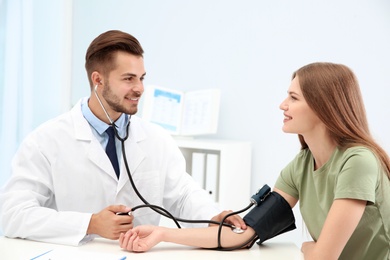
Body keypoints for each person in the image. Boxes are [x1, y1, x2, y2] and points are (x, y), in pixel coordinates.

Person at [119, 62, 390, 260]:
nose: (282, 105)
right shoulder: (301, 165)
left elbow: (322, 258)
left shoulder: (358, 161)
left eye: (293, 98)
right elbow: (245, 233)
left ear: (323, 106)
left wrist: (310, 249)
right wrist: (162, 234)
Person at [0, 30, 244, 246]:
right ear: (98, 80)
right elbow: (12, 214)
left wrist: (213, 215)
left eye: (142, 78)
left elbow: (183, 194)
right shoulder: (45, 140)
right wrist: (90, 223)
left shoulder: (156, 138)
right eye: (129, 79)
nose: (140, 88)